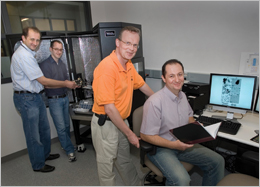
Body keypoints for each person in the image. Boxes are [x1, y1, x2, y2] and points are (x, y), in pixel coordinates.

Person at [140, 59, 225, 186]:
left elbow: (189, 117)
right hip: (161, 148)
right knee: (182, 180)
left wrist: (197, 128)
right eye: (171, 76)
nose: (177, 79)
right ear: (163, 78)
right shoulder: (154, 102)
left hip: (183, 143)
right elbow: (145, 135)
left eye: (180, 74)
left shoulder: (182, 96)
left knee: (218, 161)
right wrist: (174, 145)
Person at [91, 26, 154, 186]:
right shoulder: (107, 68)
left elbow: (142, 85)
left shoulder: (128, 64)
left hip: (121, 122)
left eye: (135, 45)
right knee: (107, 168)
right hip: (106, 124)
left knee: (124, 161)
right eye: (128, 43)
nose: (131, 48)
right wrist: (131, 134)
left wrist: (159, 101)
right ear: (117, 43)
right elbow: (109, 109)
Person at [10, 27, 78, 173]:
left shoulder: (30, 53)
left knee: (44, 129)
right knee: (33, 134)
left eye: (37, 40)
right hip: (26, 98)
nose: (35, 43)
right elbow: (45, 81)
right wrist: (66, 84)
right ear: (23, 38)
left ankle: (45, 155)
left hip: (36, 97)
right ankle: (38, 164)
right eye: (32, 39)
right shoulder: (24, 56)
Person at [39, 40, 77, 162]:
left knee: (66, 125)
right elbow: (47, 85)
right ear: (50, 49)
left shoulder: (62, 64)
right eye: (56, 49)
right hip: (54, 100)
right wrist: (66, 84)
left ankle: (65, 145)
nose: (59, 52)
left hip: (64, 97)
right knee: (60, 127)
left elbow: (65, 81)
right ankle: (69, 150)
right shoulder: (44, 65)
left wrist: (72, 85)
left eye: (61, 50)